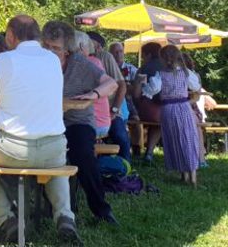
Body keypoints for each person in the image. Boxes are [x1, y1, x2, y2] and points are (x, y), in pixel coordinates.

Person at [0, 15, 79, 244]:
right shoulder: (52, 60)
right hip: (53, 146)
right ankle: (65, 216)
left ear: (10, 35)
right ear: (38, 35)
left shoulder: (2, 60)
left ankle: (5, 219)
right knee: (56, 165)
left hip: (13, 148)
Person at [42, 21, 119, 226]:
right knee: (39, 153)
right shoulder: (37, 62)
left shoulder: (80, 63)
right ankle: (49, 207)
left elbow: (112, 83)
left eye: (55, 48)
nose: (49, 52)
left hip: (77, 120)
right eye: (46, 46)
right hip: (48, 120)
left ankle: (101, 209)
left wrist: (93, 94)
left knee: (83, 154)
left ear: (67, 50)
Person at [158, 45, 202, 185]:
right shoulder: (186, 73)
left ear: (164, 59)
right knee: (188, 138)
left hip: (168, 108)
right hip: (184, 107)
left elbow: (153, 89)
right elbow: (196, 87)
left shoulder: (160, 74)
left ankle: (183, 174)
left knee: (175, 140)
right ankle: (192, 176)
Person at [89, 34, 132, 162]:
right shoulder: (77, 59)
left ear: (97, 46)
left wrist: (114, 110)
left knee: (120, 135)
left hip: (108, 110)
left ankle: (126, 169)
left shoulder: (104, 57)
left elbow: (121, 85)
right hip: (89, 113)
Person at [135, 42, 165, 162]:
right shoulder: (168, 67)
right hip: (167, 109)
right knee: (159, 123)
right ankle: (149, 152)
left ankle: (144, 151)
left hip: (148, 110)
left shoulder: (145, 69)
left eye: (143, 55)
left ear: (148, 55)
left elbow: (137, 90)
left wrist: (137, 103)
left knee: (155, 120)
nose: (142, 58)